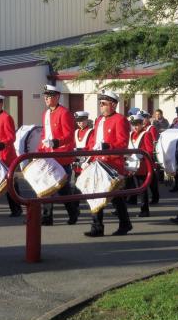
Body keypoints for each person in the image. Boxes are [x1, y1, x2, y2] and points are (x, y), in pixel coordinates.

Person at [84, 90, 132, 237]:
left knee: (116, 198)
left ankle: (124, 223)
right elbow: (93, 141)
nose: (101, 106)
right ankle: (97, 227)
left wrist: (108, 147)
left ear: (113, 104)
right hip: (98, 162)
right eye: (100, 103)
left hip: (112, 163)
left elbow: (123, 144)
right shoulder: (99, 120)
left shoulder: (120, 119)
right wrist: (87, 157)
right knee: (96, 194)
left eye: (104, 103)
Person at [38, 85, 80, 226]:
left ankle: (73, 212)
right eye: (45, 96)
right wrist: (39, 151)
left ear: (57, 97)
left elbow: (69, 135)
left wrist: (56, 142)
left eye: (49, 96)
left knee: (63, 189)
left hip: (61, 157)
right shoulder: (45, 114)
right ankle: (47, 217)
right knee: (46, 188)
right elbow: (44, 135)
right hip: (48, 156)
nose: (46, 99)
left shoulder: (64, 112)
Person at [127, 113, 155, 217]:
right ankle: (122, 208)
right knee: (126, 187)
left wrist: (141, 156)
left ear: (142, 124)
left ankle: (145, 210)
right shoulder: (131, 134)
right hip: (130, 165)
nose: (135, 126)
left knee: (142, 189)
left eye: (137, 124)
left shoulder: (146, 134)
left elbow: (150, 150)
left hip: (142, 166)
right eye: (133, 124)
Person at [73, 111, 94, 180]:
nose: (79, 123)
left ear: (86, 120)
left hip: (86, 163)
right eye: (77, 121)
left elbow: (92, 147)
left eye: (81, 121)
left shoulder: (91, 131)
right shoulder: (76, 132)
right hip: (77, 164)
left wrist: (80, 150)